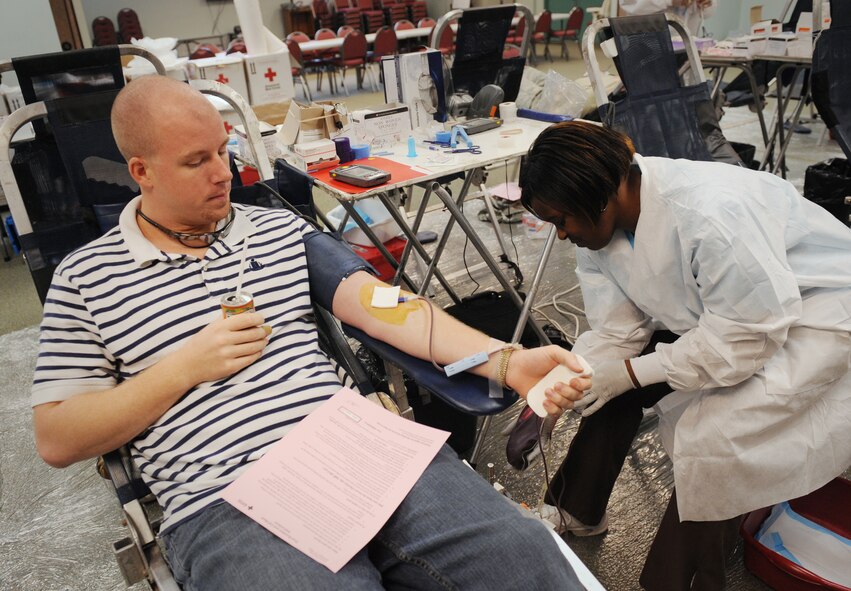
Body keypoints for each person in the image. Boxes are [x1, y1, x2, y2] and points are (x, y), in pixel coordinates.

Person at [30, 76, 592, 590]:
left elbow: (385, 307)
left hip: (356, 450)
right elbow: (58, 437)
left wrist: (505, 362)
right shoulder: (85, 278)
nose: (223, 173)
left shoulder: (276, 231)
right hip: (225, 498)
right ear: (142, 171)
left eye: (224, 151)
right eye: (195, 161)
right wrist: (183, 367)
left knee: (528, 560)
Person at [518, 120, 851, 590]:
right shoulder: (597, 223)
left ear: (602, 196)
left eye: (561, 221)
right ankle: (575, 511)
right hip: (733, 316)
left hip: (818, 316)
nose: (562, 235)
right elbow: (618, 329)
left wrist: (633, 373)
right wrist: (563, 385)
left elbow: (744, 338)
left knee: (715, 438)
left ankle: (676, 581)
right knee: (603, 386)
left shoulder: (710, 214)